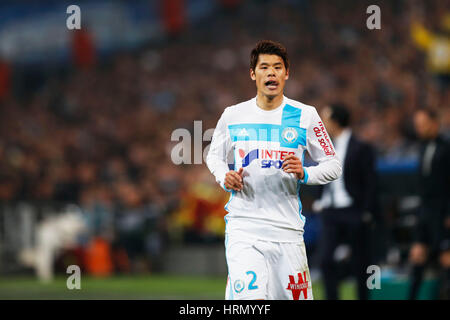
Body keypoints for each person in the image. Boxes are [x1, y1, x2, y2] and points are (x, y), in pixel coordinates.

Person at [206, 40, 342, 300]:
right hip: (244, 229)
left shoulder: (306, 115)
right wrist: (224, 176)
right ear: (252, 74)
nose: (271, 73)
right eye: (264, 67)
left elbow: (333, 165)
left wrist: (306, 173)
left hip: (287, 231)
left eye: (277, 67)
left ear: (286, 73)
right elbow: (214, 156)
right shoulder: (233, 115)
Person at [314, 104, 378, 300]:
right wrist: (320, 199)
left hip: (353, 210)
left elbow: (370, 182)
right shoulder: (324, 149)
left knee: (361, 263)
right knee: (325, 260)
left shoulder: (362, 148)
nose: (322, 123)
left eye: (325, 118)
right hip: (331, 211)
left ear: (335, 121)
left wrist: (366, 211)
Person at [408, 108, 450, 300]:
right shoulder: (423, 147)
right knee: (417, 255)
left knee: (446, 259)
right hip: (425, 211)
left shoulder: (447, 147)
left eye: (423, 125)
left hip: (442, 211)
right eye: (417, 125)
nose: (419, 129)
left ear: (434, 123)